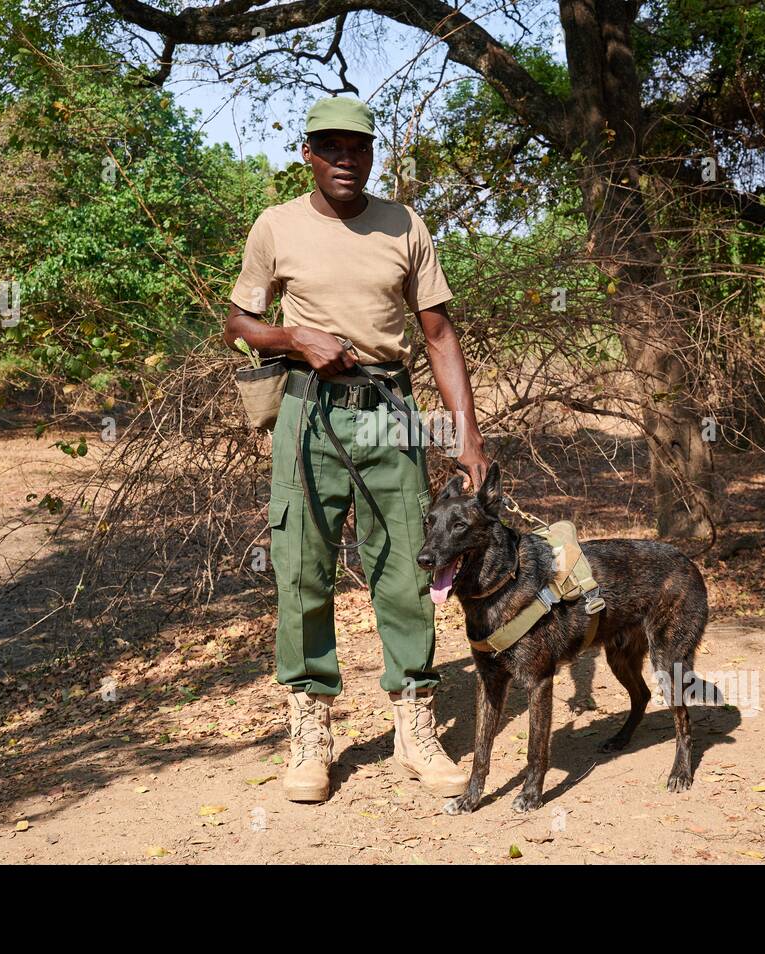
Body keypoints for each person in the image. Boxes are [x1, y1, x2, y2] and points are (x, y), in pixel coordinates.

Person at [224, 96, 489, 802]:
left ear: (373, 155)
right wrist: (294, 339)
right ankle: (310, 733)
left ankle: (414, 726)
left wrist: (467, 435)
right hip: (308, 414)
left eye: (359, 147)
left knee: (407, 566)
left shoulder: (405, 225)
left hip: (389, 413)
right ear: (308, 154)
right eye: (332, 147)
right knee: (302, 570)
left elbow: (437, 336)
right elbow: (240, 323)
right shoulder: (275, 226)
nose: (347, 159)